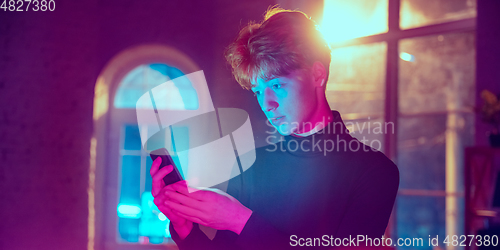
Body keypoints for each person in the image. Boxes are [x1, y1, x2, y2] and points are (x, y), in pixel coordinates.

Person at [150, 7, 399, 249]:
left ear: (317, 75)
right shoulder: (250, 165)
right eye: (258, 91)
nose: (266, 104)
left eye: (277, 85)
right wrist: (184, 227)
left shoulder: (374, 172)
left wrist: (239, 220)